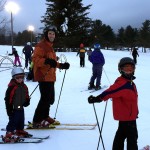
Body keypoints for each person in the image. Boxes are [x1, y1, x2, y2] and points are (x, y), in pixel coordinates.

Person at [88, 57, 138, 150]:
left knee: (121, 135)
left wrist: (136, 112)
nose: (129, 71)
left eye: (131, 69)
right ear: (121, 70)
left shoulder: (129, 82)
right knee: (132, 138)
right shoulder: (123, 84)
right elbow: (109, 92)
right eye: (126, 69)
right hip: (128, 118)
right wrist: (98, 98)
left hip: (128, 116)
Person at [31, 27, 70, 128]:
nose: (51, 35)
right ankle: (37, 120)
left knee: (50, 99)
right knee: (45, 99)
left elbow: (52, 62)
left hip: (50, 76)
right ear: (46, 35)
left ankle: (45, 116)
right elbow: (35, 59)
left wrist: (61, 65)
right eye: (50, 33)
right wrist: (46, 61)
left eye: (53, 34)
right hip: (43, 76)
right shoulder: (41, 46)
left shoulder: (50, 47)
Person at [3, 67, 31, 142]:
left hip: (21, 107)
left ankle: (19, 130)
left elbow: (26, 95)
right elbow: (7, 99)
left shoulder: (24, 86)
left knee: (21, 119)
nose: (20, 79)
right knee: (13, 120)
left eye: (21, 77)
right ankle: (9, 132)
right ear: (14, 78)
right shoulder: (11, 87)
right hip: (13, 108)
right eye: (17, 77)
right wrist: (9, 109)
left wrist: (27, 101)